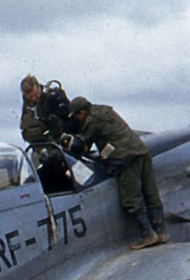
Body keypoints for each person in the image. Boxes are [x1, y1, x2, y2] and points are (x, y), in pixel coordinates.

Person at [63, 97, 169, 249]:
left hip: (126, 157)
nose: (76, 119)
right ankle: (161, 232)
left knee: (132, 198)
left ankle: (147, 235)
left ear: (82, 112)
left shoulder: (92, 122)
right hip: (141, 151)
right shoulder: (104, 109)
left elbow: (82, 142)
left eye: (76, 116)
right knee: (150, 193)